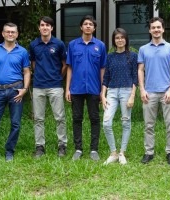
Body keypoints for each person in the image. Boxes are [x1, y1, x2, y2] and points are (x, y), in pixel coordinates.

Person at [0, 22, 31, 164]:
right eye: (7, 32)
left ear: (17, 34)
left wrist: (25, 89)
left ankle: (10, 151)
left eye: (13, 32)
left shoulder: (22, 51)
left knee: (15, 123)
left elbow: (27, 72)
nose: (10, 34)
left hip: (16, 91)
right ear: (3, 34)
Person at [65, 15, 107, 161]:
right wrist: (67, 89)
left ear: (94, 28)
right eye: (85, 24)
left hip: (94, 89)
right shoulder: (73, 45)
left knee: (94, 118)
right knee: (77, 119)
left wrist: (103, 91)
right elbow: (69, 68)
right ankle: (78, 149)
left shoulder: (100, 46)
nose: (88, 26)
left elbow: (102, 69)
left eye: (91, 24)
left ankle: (94, 150)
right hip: (76, 88)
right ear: (81, 27)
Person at [138, 17, 170, 165]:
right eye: (153, 27)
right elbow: (140, 70)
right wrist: (142, 90)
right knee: (148, 125)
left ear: (163, 29)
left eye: (158, 27)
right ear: (150, 30)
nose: (156, 30)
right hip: (149, 92)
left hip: (167, 92)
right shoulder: (143, 49)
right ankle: (149, 152)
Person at [29, 16, 68, 158]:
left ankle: (62, 145)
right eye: (42, 25)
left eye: (47, 25)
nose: (45, 27)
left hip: (55, 85)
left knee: (60, 117)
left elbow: (64, 64)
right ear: (39, 28)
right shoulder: (34, 45)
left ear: (52, 28)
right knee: (38, 118)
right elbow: (33, 63)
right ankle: (39, 146)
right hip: (38, 86)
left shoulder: (59, 44)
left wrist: (58, 77)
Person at [101, 28, 138, 165]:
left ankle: (122, 152)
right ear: (114, 40)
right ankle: (113, 152)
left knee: (125, 122)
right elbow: (106, 77)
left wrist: (132, 96)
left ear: (126, 39)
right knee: (106, 122)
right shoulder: (110, 56)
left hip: (127, 91)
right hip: (111, 92)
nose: (120, 40)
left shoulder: (133, 56)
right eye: (117, 38)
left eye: (122, 37)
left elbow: (135, 77)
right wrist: (103, 95)